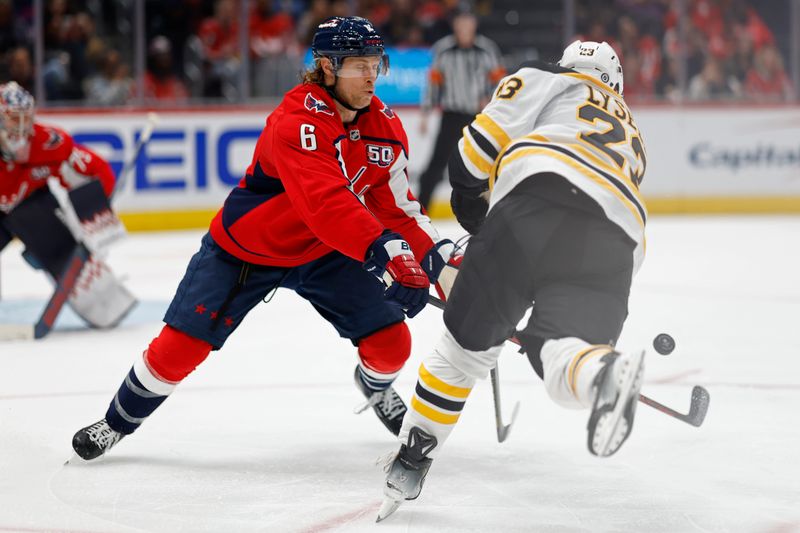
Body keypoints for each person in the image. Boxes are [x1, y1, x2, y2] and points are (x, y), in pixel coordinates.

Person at [71, 16, 458, 461]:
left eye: (375, 62)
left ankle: (373, 385)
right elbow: (325, 201)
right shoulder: (297, 119)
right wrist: (384, 253)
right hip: (247, 250)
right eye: (357, 64)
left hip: (325, 250)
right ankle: (115, 423)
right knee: (178, 351)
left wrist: (439, 260)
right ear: (327, 67)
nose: (371, 75)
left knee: (392, 343)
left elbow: (399, 208)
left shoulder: (384, 126)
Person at [377, 40, 650, 521]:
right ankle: (602, 374)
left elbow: (471, 155)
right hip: (620, 242)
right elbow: (595, 202)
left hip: (537, 197)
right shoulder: (633, 131)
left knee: (464, 351)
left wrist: (477, 220)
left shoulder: (547, 77)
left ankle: (413, 457)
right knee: (561, 349)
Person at [0, 81, 135, 328]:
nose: (21, 128)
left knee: (63, 254)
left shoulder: (48, 143)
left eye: (25, 118)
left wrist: (94, 216)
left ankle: (105, 303)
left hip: (30, 205)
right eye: (12, 119)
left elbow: (97, 170)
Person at [416, 10, 505, 212]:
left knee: (488, 164)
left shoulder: (487, 49)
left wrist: (491, 100)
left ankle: (494, 210)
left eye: (468, 23)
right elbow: (434, 84)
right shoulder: (443, 49)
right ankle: (421, 211)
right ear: (455, 25)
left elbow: (500, 81)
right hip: (451, 114)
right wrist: (425, 114)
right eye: (460, 23)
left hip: (478, 117)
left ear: (474, 24)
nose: (464, 27)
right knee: (436, 165)